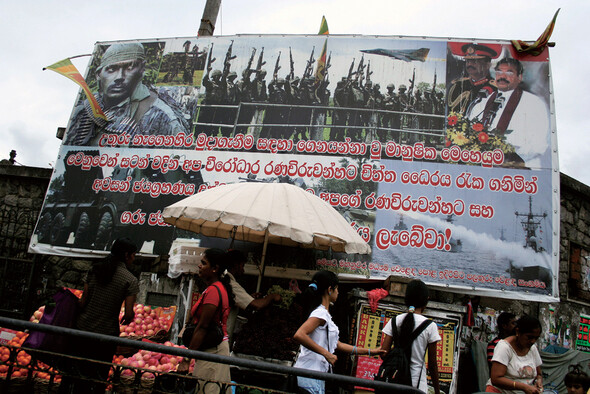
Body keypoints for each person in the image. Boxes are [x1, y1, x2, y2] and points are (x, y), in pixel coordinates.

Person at [64, 42, 190, 146]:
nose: (119, 77)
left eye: (130, 68)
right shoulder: (84, 110)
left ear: (142, 70)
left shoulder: (161, 115)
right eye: (111, 69)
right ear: (98, 74)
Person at [59, 238, 139, 393]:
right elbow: (129, 314)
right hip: (105, 336)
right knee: (97, 378)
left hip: (82, 329)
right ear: (126, 255)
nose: (134, 259)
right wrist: (127, 318)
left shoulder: (95, 270)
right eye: (133, 255)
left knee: (72, 373)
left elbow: (82, 302)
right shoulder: (130, 280)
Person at [293, 270, 384, 394]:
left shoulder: (324, 314)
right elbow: (299, 335)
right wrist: (326, 353)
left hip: (315, 375)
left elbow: (338, 344)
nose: (338, 292)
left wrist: (369, 351)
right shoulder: (321, 313)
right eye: (337, 289)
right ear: (330, 289)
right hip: (309, 374)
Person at [467, 57, 549, 168]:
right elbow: (470, 134)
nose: (502, 76)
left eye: (509, 72)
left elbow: (539, 144)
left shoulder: (534, 103)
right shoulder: (482, 101)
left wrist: (507, 155)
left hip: (520, 172)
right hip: (482, 169)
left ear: (519, 77)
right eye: (499, 72)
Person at [180, 248, 235, 394]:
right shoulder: (215, 288)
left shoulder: (213, 291)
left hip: (213, 351)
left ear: (215, 269)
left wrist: (186, 359)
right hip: (212, 349)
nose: (199, 266)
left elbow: (203, 326)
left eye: (204, 263)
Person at [379, 279, 441, 394]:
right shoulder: (430, 326)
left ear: (406, 299)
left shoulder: (395, 321)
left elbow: (384, 353)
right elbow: (432, 364)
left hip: (393, 383)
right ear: (426, 301)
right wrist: (437, 391)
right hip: (416, 387)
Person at [225, 249, 281, 341]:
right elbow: (257, 305)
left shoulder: (226, 281)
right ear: (236, 265)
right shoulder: (231, 284)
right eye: (242, 266)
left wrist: (249, 298)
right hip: (221, 338)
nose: (243, 270)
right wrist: (272, 296)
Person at [486, 315, 543, 394]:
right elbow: (496, 379)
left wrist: (538, 381)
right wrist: (523, 387)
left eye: (536, 338)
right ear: (518, 332)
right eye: (529, 337)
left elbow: (539, 374)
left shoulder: (532, 348)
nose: (533, 341)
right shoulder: (504, 347)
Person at [448, 43, 499, 116]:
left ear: (488, 65)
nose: (469, 64)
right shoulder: (457, 85)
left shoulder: (494, 88)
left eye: (475, 61)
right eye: (468, 61)